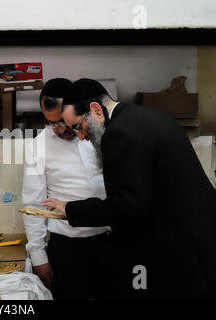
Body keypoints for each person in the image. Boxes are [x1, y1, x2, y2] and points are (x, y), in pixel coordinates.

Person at [43, 78, 216, 299]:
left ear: (96, 110)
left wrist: (70, 209)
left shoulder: (118, 133)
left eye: (78, 126)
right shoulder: (151, 116)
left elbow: (127, 207)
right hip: (202, 241)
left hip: (179, 251)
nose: (81, 136)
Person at [22, 78, 113, 300]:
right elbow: (34, 205)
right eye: (51, 123)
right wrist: (39, 258)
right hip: (68, 249)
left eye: (62, 120)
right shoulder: (38, 146)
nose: (61, 129)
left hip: (110, 242)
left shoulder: (102, 134)